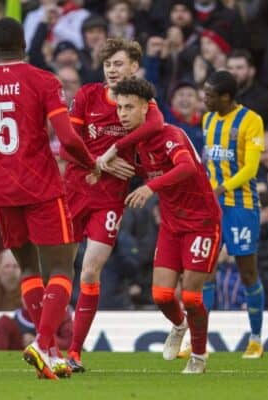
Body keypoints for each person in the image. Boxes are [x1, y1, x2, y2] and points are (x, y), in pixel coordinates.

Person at [0, 17, 123, 381]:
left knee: (29, 269)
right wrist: (89, 162)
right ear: (24, 44)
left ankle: (49, 354)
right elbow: (66, 136)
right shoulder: (43, 81)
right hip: (42, 188)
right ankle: (44, 341)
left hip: (1, 191)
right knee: (63, 268)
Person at [62, 37, 164, 373]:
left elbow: (156, 126)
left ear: (134, 66)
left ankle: (74, 352)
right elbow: (66, 148)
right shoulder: (87, 96)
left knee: (90, 270)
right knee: (59, 270)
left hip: (108, 200)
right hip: (74, 192)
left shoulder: (142, 105)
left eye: (118, 63)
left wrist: (118, 161)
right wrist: (100, 161)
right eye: (108, 64)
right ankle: (47, 341)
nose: (112, 69)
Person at [117, 77, 221, 373]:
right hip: (172, 224)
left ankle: (198, 355)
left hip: (202, 222)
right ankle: (179, 326)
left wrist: (151, 188)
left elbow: (187, 166)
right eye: (120, 107)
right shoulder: (135, 143)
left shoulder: (170, 133)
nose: (123, 113)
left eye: (129, 107)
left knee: (190, 295)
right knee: (162, 295)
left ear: (145, 109)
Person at [202, 70, 265, 358]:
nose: (204, 99)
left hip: (241, 205)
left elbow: (250, 169)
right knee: (203, 271)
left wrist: (221, 189)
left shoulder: (251, 121)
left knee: (247, 272)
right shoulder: (208, 120)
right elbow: (208, 162)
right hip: (212, 207)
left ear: (226, 97)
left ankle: (255, 339)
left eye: (209, 94)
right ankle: (198, 340)